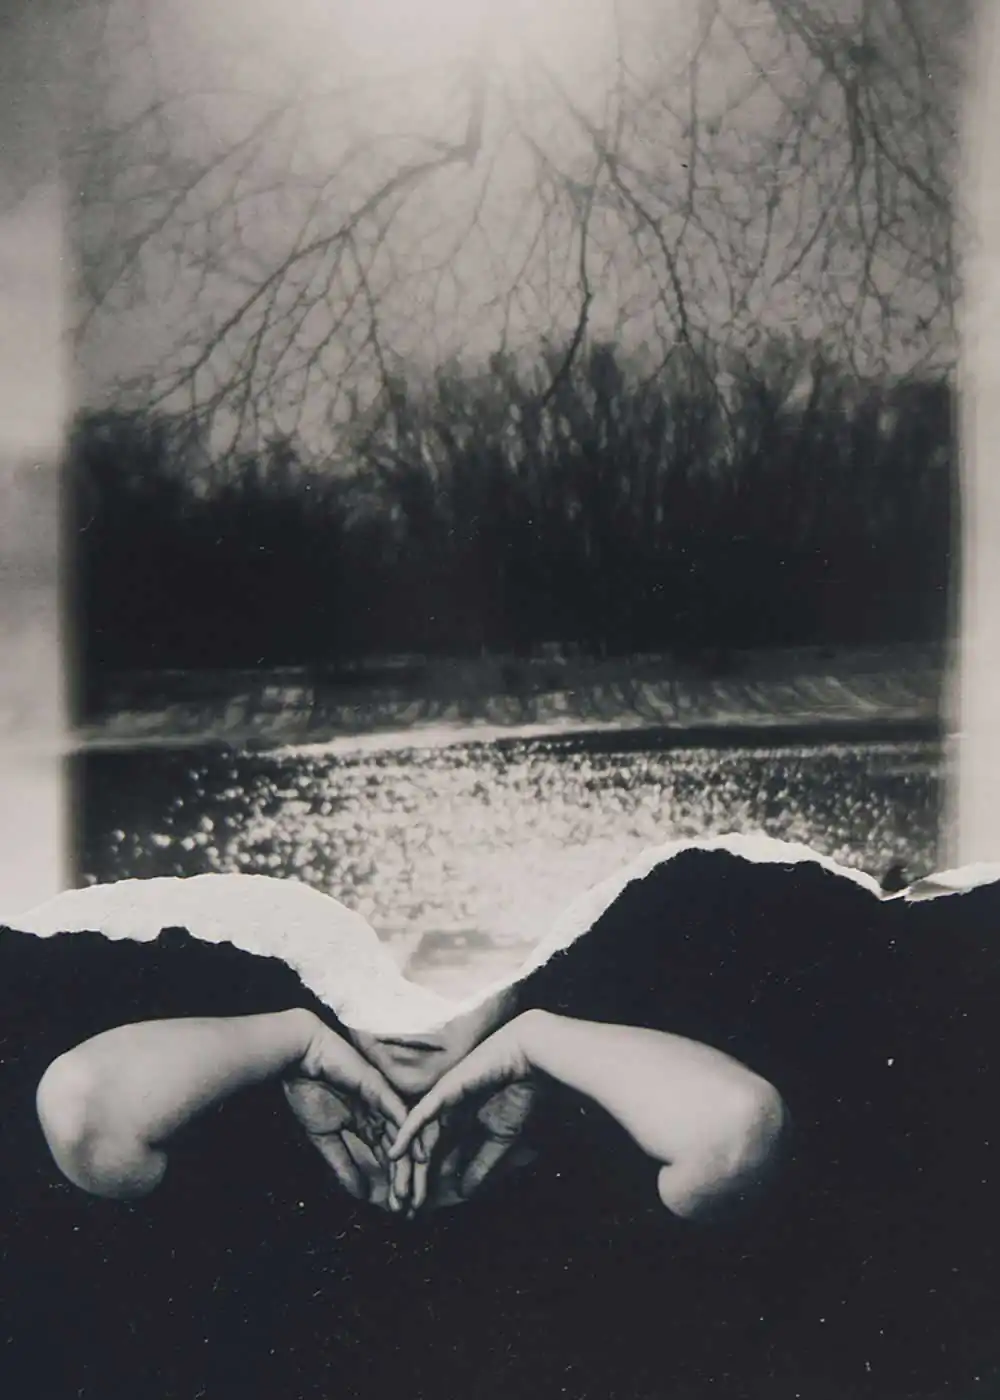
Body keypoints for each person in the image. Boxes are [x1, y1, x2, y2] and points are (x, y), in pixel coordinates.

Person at [1, 845, 997, 1399]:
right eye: (385, 981)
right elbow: (85, 1110)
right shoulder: (271, 1128)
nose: (415, 1009)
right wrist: (293, 1040)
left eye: (458, 980)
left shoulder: (572, 1127)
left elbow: (737, 1128)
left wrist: (538, 1041)